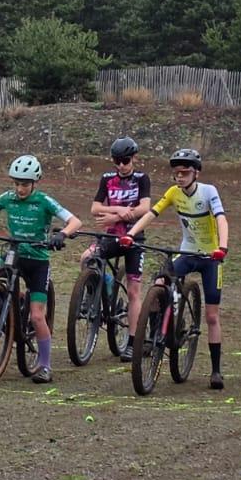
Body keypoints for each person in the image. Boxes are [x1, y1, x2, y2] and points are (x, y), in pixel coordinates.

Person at [0, 155, 82, 384]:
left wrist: (62, 234)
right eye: (16, 183)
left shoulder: (44, 201)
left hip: (37, 261)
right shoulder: (8, 198)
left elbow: (75, 221)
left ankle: (45, 366)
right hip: (13, 254)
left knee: (37, 316)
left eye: (24, 184)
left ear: (34, 183)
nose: (20, 189)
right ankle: (8, 303)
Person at [122, 148, 230, 389]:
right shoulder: (173, 192)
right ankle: (153, 336)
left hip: (211, 257)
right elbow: (152, 214)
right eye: (176, 173)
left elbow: (221, 219)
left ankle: (216, 370)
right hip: (187, 252)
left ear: (196, 173)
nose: (180, 177)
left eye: (185, 173)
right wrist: (131, 233)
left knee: (212, 316)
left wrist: (222, 247)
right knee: (159, 284)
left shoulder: (208, 192)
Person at [87, 137, 151, 362]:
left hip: (134, 238)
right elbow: (95, 208)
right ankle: (101, 290)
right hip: (111, 236)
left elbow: (145, 208)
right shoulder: (107, 178)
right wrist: (119, 211)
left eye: (125, 161)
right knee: (87, 258)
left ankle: (133, 342)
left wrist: (116, 216)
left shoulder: (142, 178)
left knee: (134, 291)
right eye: (117, 161)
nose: (121, 165)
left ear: (134, 158)